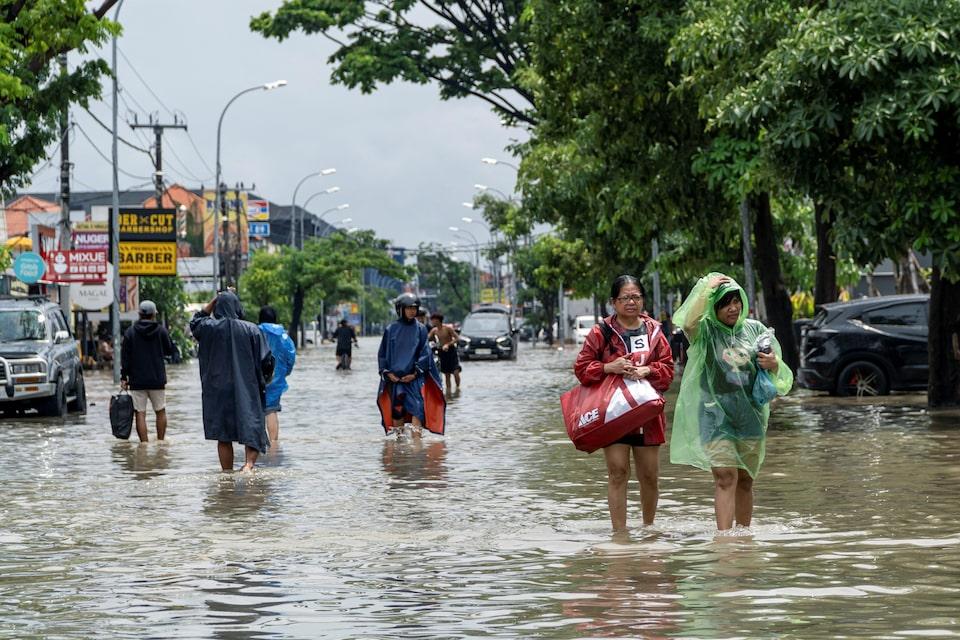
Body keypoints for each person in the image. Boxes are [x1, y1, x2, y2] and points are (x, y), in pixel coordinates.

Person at [669, 273, 793, 531]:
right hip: (714, 417)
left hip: (750, 417)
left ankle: (744, 538)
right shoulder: (706, 331)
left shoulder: (756, 330)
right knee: (726, 477)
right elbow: (688, 323)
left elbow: (779, 373)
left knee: (746, 479)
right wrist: (706, 289)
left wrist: (773, 364)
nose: (733, 308)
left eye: (736, 301)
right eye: (725, 303)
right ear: (714, 307)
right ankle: (724, 540)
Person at [573, 276, 674, 532]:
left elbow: (668, 370)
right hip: (613, 413)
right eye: (625, 297)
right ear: (613, 302)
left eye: (636, 297)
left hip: (648, 414)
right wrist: (609, 367)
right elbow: (582, 369)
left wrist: (648, 370)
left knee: (650, 476)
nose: (631, 302)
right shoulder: (600, 332)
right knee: (617, 472)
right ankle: (619, 535)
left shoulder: (654, 331)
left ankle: (649, 530)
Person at [190, 291, 275, 472]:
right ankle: (248, 466)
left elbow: (195, 321)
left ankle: (227, 473)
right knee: (253, 427)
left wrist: (215, 299)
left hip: (217, 390)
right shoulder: (252, 329)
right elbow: (266, 360)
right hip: (247, 387)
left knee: (223, 435)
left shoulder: (208, 328)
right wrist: (265, 379)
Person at [376, 293, 446, 438]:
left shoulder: (420, 329)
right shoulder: (391, 329)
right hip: (396, 380)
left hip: (414, 379)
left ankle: (417, 444)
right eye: (408, 308)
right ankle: (399, 445)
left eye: (414, 308)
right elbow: (382, 354)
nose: (412, 311)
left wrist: (415, 373)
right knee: (397, 411)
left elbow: (425, 353)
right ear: (400, 309)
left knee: (418, 410)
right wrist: (387, 373)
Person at [120, 300, 176, 442]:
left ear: (139, 314)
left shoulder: (130, 332)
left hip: (137, 380)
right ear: (154, 315)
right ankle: (161, 442)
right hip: (157, 379)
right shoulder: (161, 331)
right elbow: (169, 350)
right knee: (160, 410)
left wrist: (124, 377)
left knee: (140, 413)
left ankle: (143, 444)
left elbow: (125, 357)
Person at [257, 306, 296, 443]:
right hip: (276, 378)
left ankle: (255, 444)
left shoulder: (254, 332)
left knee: (254, 410)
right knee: (271, 410)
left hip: (254, 378)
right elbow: (291, 357)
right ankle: (274, 445)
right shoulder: (283, 336)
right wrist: (285, 373)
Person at [428, 312, 462, 392]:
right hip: (442, 352)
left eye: (433, 320)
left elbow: (457, 338)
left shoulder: (447, 328)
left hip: (451, 351)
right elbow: (427, 338)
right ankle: (448, 391)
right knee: (447, 374)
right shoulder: (434, 330)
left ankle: (458, 389)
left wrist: (448, 344)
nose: (432, 322)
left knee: (455, 371)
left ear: (438, 320)